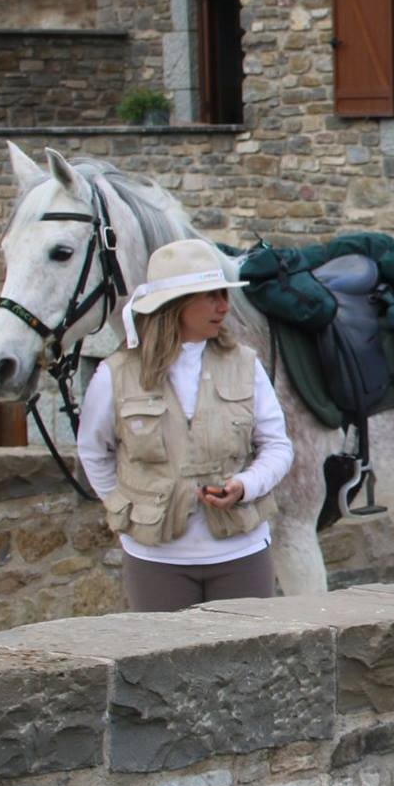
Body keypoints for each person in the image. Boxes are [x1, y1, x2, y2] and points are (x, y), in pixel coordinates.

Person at [77, 239, 294, 610]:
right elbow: (93, 451)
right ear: (174, 304)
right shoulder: (115, 374)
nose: (224, 306)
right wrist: (126, 505)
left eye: (224, 294)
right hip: (156, 560)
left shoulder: (245, 364)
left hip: (240, 554)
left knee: (248, 665)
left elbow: (277, 445)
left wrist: (244, 486)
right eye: (210, 296)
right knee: (163, 665)